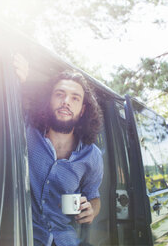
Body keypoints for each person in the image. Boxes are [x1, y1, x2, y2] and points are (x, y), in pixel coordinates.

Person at [14, 54, 104, 246]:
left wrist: (91, 210)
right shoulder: (25, 130)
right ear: (49, 100)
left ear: (82, 110)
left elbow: (94, 196)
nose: (66, 102)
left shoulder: (92, 155)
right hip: (23, 236)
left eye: (75, 98)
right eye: (59, 94)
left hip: (65, 240)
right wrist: (18, 80)